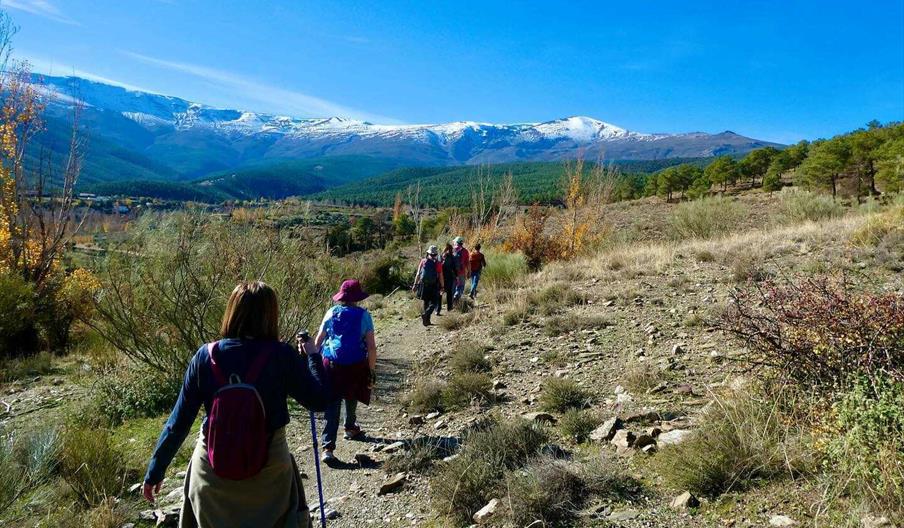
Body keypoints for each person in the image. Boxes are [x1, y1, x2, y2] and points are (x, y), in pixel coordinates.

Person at [142, 281, 330, 528]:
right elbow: (319, 400)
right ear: (270, 314)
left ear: (232, 312)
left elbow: (178, 423)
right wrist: (313, 356)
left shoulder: (204, 356)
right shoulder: (281, 355)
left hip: (211, 471)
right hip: (270, 472)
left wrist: (155, 471)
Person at [314, 279, 377, 464]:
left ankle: (328, 448)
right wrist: (371, 369)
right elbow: (371, 347)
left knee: (332, 404)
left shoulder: (331, 312)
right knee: (352, 393)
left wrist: (314, 365)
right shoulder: (364, 315)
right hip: (355, 363)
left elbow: (319, 340)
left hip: (331, 363)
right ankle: (350, 427)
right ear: (357, 298)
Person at [413, 246, 444, 325]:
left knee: (426, 302)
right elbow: (440, 276)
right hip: (433, 285)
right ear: (436, 254)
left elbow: (418, 274)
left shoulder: (423, 261)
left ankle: (426, 321)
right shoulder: (438, 263)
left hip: (423, 285)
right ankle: (426, 315)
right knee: (435, 302)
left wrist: (415, 284)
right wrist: (442, 286)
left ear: (428, 253)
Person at [451, 236, 471, 301]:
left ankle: (451, 302)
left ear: (456, 242)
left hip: (452, 273)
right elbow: (467, 263)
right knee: (461, 286)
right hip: (461, 272)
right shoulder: (465, 251)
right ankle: (457, 297)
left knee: (453, 287)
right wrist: (469, 272)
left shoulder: (451, 250)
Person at [440, 243, 457, 313]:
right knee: (449, 293)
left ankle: (438, 308)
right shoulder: (452, 257)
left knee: (440, 292)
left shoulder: (441, 256)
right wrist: (456, 276)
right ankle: (449, 308)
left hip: (441, 277)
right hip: (449, 277)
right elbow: (454, 267)